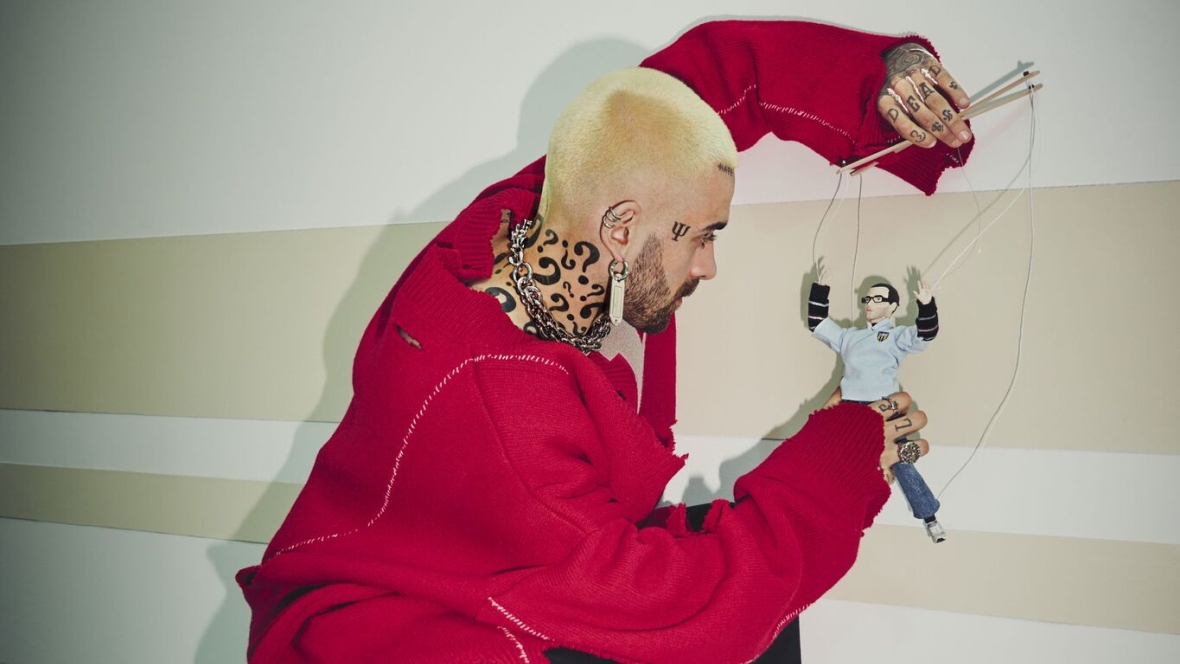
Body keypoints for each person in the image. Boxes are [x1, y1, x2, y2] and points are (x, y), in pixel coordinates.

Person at [238, 19, 973, 664]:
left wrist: (884, 81)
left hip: (492, 560)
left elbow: (704, 89)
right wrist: (841, 459)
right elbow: (694, 615)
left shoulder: (552, 210)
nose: (709, 266)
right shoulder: (507, 415)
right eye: (703, 237)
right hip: (386, 632)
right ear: (621, 229)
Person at [808, 279, 946, 543]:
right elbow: (818, 323)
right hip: (849, 408)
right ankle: (831, 516)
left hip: (885, 408)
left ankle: (929, 517)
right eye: (867, 299)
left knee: (902, 462)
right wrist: (820, 290)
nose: (870, 303)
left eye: (878, 299)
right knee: (838, 461)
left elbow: (925, 334)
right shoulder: (849, 336)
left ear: (892, 307)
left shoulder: (895, 336)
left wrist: (927, 304)